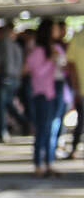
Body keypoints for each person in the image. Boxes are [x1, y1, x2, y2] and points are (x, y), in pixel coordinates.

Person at [24, 19, 68, 178]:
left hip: (58, 89)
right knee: (42, 128)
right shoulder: (38, 51)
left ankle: (49, 162)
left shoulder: (57, 48)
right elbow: (34, 72)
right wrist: (50, 60)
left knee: (53, 128)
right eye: (55, 28)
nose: (58, 31)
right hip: (42, 92)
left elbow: (65, 68)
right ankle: (38, 164)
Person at [0, 23, 27, 142]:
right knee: (9, 103)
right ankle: (25, 122)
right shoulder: (17, 46)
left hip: (4, 78)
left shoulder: (1, 45)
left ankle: (1, 131)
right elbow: (23, 65)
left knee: (0, 105)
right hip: (15, 79)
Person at [64, 27, 84, 160]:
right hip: (81, 88)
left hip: (81, 88)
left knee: (81, 120)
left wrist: (75, 86)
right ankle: (74, 148)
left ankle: (74, 149)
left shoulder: (77, 38)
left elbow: (70, 65)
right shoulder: (77, 38)